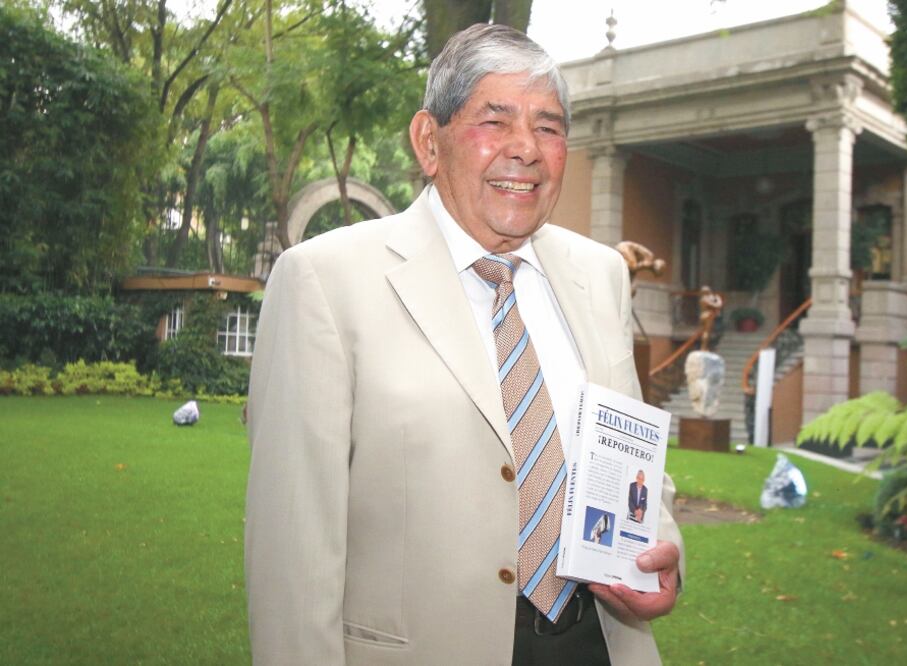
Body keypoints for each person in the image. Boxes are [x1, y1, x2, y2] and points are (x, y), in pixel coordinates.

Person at [245, 23, 685, 665]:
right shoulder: (324, 281)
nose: (526, 149)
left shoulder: (601, 274)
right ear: (430, 141)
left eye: (549, 127)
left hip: (598, 645)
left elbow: (631, 450)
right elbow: (292, 549)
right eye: (495, 120)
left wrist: (661, 548)